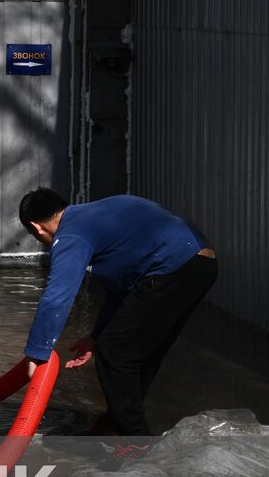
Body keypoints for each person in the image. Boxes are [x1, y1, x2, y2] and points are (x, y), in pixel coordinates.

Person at [18, 188, 217, 450]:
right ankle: (116, 426)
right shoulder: (96, 215)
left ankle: (135, 440)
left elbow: (57, 296)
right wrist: (95, 336)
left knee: (116, 352)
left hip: (173, 266)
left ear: (36, 228)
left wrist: (37, 353)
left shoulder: (70, 233)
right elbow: (124, 289)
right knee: (139, 352)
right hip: (199, 265)